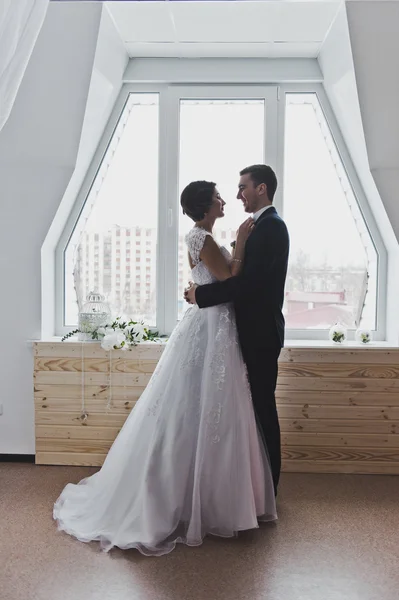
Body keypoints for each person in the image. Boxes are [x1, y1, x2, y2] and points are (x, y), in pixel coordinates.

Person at [53, 180, 277, 557]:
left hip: (215, 325)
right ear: (206, 206)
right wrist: (240, 241)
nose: (226, 199)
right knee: (194, 407)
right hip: (209, 328)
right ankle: (185, 498)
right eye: (220, 196)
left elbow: (214, 281)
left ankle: (214, 497)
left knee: (210, 408)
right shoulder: (201, 238)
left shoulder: (202, 236)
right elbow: (229, 278)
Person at [185, 165, 289, 496]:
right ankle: (247, 487)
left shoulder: (271, 227)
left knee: (261, 408)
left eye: (242, 187)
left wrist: (199, 295)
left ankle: (267, 488)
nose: (236, 194)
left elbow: (246, 285)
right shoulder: (256, 227)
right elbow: (234, 275)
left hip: (259, 333)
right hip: (237, 331)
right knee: (246, 409)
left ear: (261, 188)